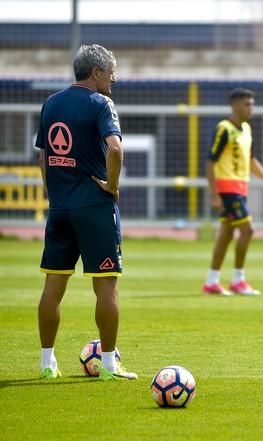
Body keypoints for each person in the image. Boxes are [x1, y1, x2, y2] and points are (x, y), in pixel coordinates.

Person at [36, 44, 137, 380]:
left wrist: (53, 192)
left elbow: (44, 156)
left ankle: (47, 363)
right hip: (94, 207)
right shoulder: (101, 103)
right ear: (96, 73)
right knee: (106, 288)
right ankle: (109, 365)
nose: (115, 78)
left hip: (60, 208)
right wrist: (112, 184)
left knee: (53, 287)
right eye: (112, 71)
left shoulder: (51, 103)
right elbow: (115, 147)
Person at [202, 88, 263, 296]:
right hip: (228, 189)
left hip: (240, 187)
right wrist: (214, 194)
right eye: (246, 104)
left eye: (252, 104)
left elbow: (251, 161)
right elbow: (210, 162)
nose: (251, 108)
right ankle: (238, 280)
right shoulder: (224, 129)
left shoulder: (247, 129)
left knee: (226, 234)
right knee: (248, 230)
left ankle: (212, 282)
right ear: (234, 106)